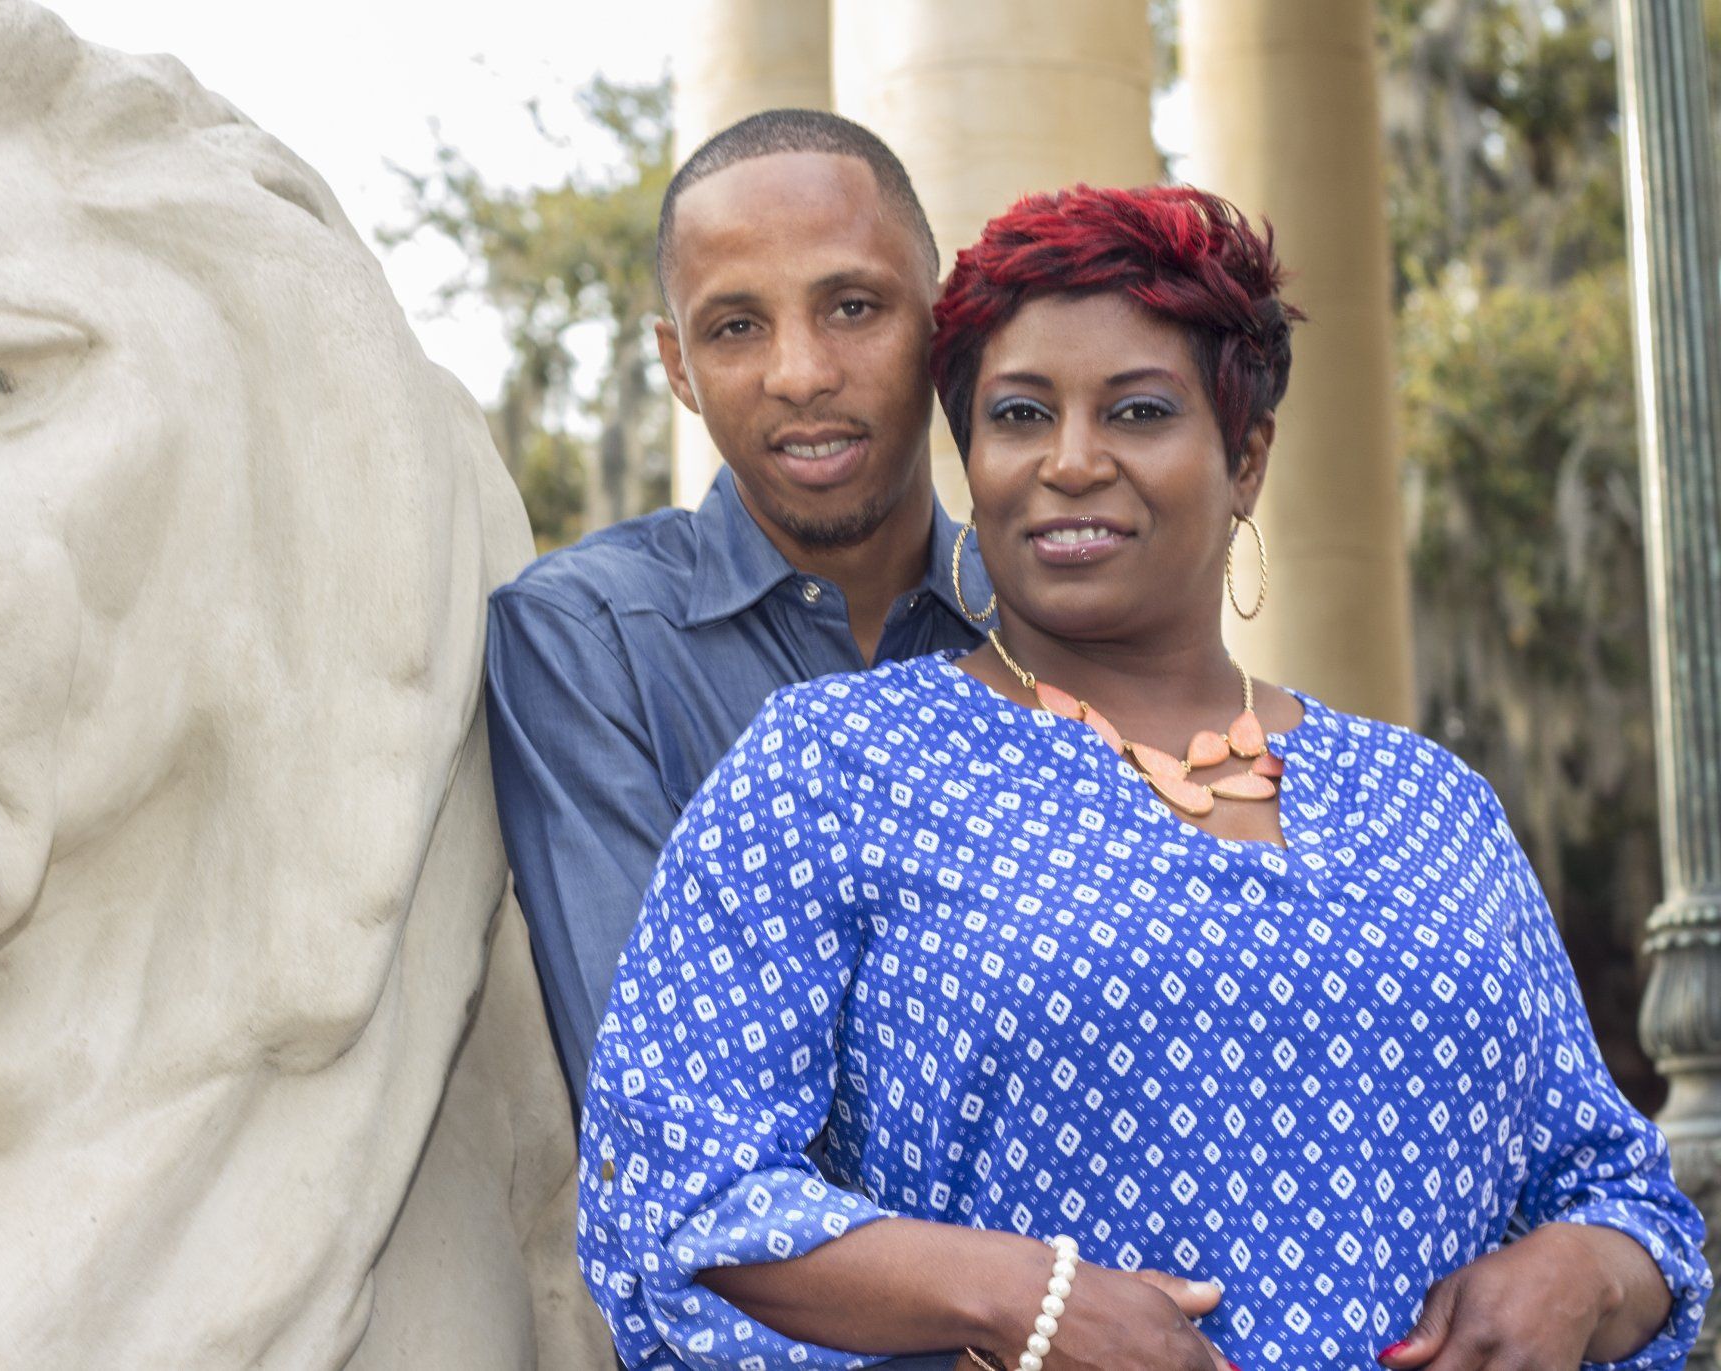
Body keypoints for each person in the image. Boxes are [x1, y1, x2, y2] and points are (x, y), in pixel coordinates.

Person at [575, 182, 1710, 1371]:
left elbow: (1624, 1194)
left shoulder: (1431, 802)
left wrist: (1579, 1275)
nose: (1070, 463)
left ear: (1248, 460)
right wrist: (1016, 1297)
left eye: (1139, 411)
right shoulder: (832, 767)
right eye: (1019, 415)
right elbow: (671, 1196)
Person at [487, 110, 990, 1094]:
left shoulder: (1050, 626)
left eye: (851, 306)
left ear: (943, 325)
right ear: (678, 366)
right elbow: (668, 1103)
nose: (801, 374)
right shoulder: (587, 645)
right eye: (736, 327)